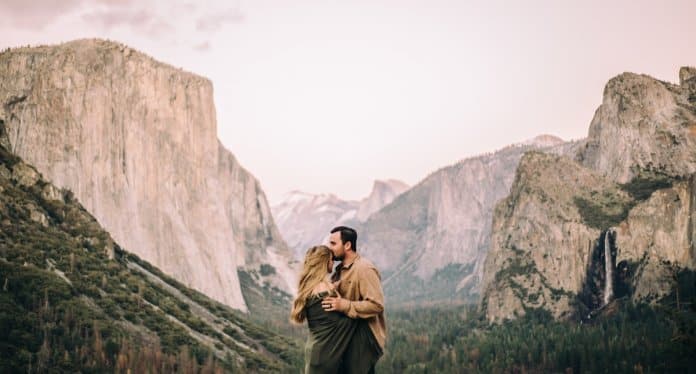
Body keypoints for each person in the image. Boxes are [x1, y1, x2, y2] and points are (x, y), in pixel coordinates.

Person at [290, 245, 380, 373]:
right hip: (327, 358)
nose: (333, 262)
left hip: (315, 353)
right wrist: (349, 305)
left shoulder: (310, 288)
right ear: (325, 262)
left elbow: (326, 319)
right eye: (332, 259)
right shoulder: (326, 291)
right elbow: (346, 323)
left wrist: (333, 288)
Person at [322, 226, 385, 373]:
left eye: (333, 243)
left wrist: (343, 305)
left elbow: (376, 305)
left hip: (363, 338)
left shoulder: (364, 268)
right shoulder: (339, 270)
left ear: (348, 245)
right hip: (347, 337)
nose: (329, 248)